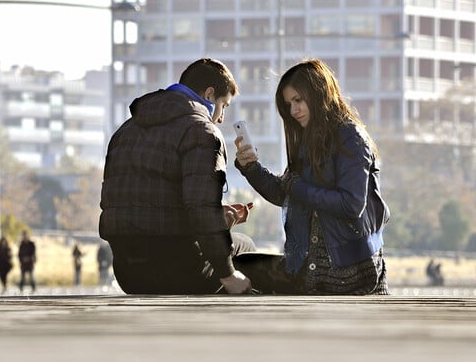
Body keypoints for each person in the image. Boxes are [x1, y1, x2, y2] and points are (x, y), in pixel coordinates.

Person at [99, 58, 256, 295]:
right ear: (210, 95)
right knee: (246, 246)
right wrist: (228, 274)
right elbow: (201, 210)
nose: (222, 118)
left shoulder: (126, 130)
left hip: (126, 272)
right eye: (224, 105)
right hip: (178, 270)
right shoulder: (202, 131)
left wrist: (216, 215)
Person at [234, 59, 390, 295]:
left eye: (298, 100)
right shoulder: (308, 140)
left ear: (320, 94)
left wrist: (296, 187)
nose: (293, 111)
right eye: (288, 104)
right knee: (236, 266)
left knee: (240, 271)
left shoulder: (350, 137)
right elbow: (285, 194)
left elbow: (351, 204)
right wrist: (251, 168)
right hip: (311, 262)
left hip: (349, 271)